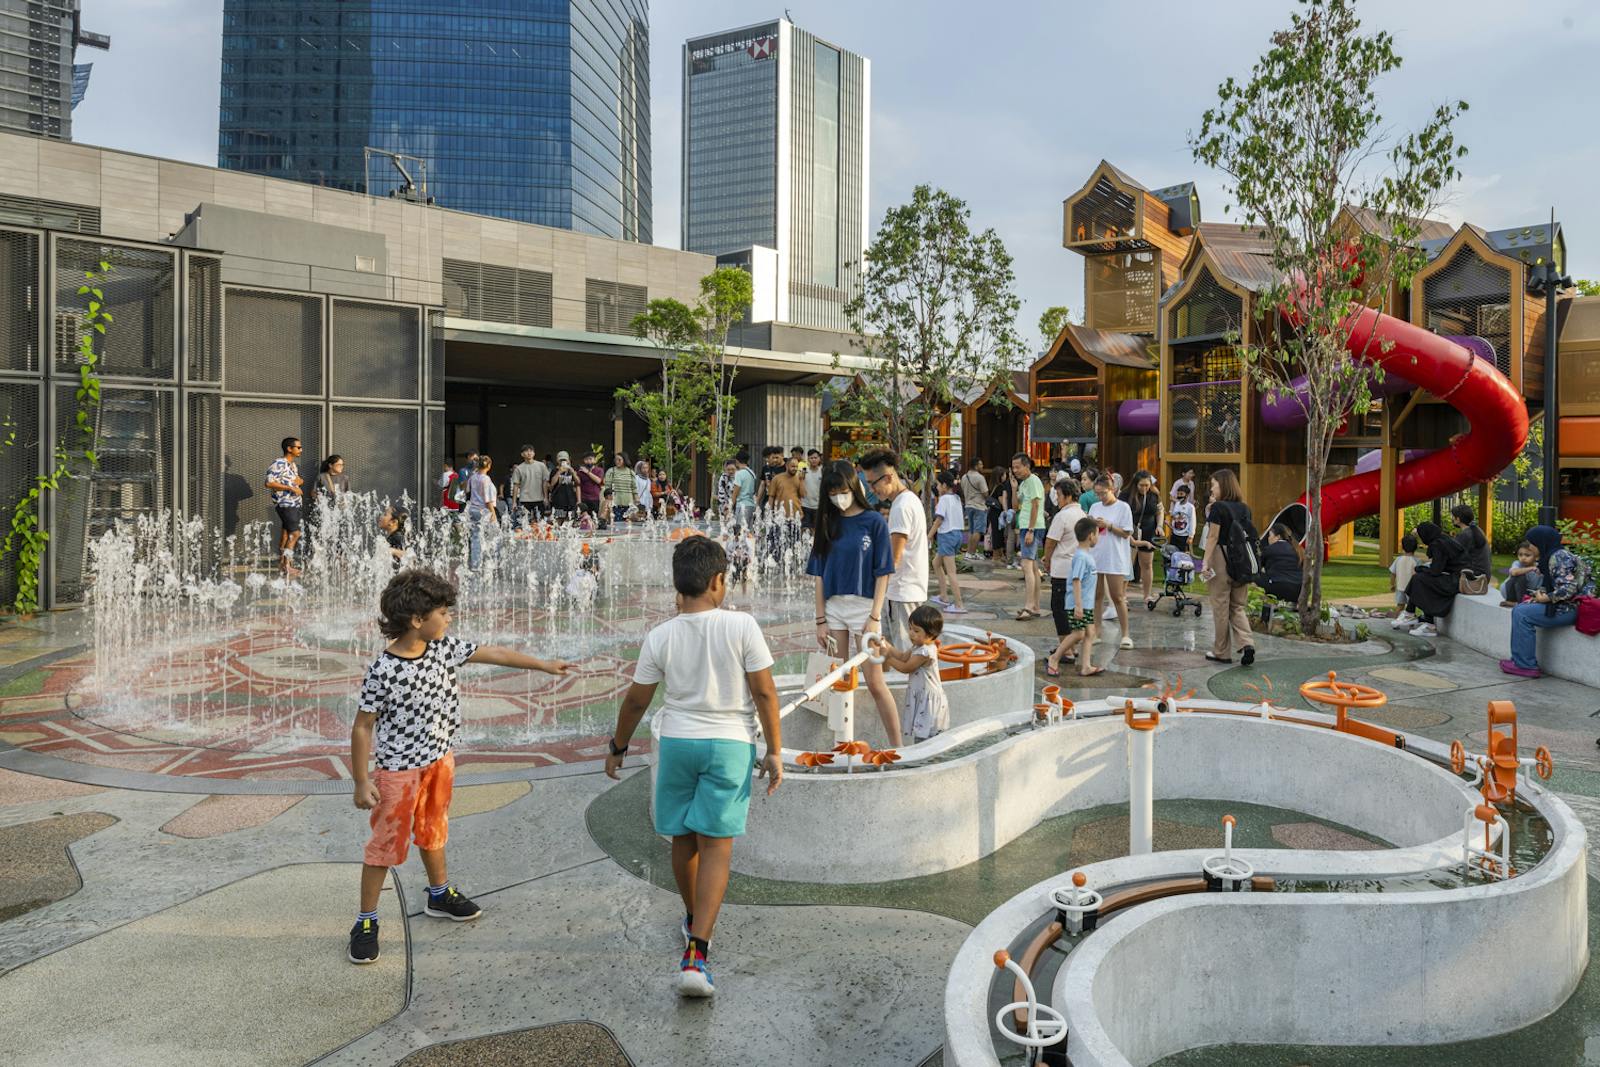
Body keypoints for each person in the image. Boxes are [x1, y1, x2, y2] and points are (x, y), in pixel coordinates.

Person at [349, 568, 571, 965]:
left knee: (434, 831)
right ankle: (366, 920)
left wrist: (543, 665)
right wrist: (362, 780)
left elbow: (497, 654)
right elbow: (363, 726)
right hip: (398, 772)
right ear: (417, 620)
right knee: (385, 845)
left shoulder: (444, 648)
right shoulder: (383, 670)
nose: (449, 618)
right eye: (443, 612)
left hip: (439, 762)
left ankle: (439, 894)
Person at [605, 536, 782, 997]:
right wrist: (776, 750)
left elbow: (636, 701)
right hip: (730, 744)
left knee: (683, 839)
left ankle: (692, 920)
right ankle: (698, 950)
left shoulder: (660, 635)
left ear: (678, 585)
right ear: (718, 582)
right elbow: (764, 693)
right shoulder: (742, 626)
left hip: (679, 742)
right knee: (717, 847)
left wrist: (617, 746)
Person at [1502, 525, 1594, 678]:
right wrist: (1539, 597)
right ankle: (1520, 661)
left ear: (1541, 542)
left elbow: (1569, 588)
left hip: (1570, 609)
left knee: (1521, 613)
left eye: (1532, 543)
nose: (1530, 546)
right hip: (1568, 606)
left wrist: (1546, 598)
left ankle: (1525, 665)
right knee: (1523, 608)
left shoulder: (1558, 557)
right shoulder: (1554, 555)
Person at [871, 603, 949, 744]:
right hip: (922, 698)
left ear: (931, 634)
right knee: (922, 735)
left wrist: (888, 658)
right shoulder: (918, 646)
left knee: (927, 738)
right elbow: (902, 656)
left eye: (916, 631)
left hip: (929, 701)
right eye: (910, 628)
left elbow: (906, 667)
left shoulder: (926, 652)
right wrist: (887, 646)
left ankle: (926, 761)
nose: (911, 633)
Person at [1199, 469, 1254, 666]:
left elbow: (1212, 537)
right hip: (1241, 561)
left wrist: (1204, 562)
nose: (1212, 488)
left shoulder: (1218, 508)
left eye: (1214, 484)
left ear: (1223, 485)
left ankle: (1222, 651)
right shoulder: (1245, 508)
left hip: (1220, 558)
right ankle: (1246, 643)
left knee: (1220, 606)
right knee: (1238, 606)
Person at [1046, 516, 1102, 678]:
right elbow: (1076, 581)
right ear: (1091, 535)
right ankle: (1054, 658)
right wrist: (1078, 605)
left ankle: (1086, 666)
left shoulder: (1085, 555)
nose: (1098, 537)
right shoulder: (1081, 557)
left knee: (1089, 633)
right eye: (1098, 534)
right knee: (1078, 634)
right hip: (1078, 604)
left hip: (1086, 604)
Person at [1043, 482, 1089, 674]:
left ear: (1068, 496)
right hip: (1080, 568)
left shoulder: (1063, 516)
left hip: (1063, 569)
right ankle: (1071, 647)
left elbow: (1051, 541)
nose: (1057, 498)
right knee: (1072, 610)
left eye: (1059, 495)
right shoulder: (1083, 514)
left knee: (1060, 610)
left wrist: (1047, 560)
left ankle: (1067, 650)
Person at [1395, 521, 1465, 637]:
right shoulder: (1443, 540)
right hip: (1457, 577)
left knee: (1419, 579)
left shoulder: (1438, 544)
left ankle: (1415, 617)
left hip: (1456, 580)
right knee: (1420, 579)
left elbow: (1435, 571)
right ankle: (1415, 617)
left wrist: (1418, 569)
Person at [1089, 475, 1135, 649]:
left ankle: (1125, 634)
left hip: (1115, 557)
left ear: (1113, 489)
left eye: (1103, 493)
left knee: (1118, 597)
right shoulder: (1094, 506)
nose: (1100, 497)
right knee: (1096, 596)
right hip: (1096, 555)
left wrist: (1108, 525)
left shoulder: (1123, 507)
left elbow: (1126, 533)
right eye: (1097, 494)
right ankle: (1096, 631)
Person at [1009, 453, 1047, 619]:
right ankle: (1036, 606)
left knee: (1026, 566)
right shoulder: (1024, 484)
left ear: (1027, 466)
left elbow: (1036, 505)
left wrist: (1031, 530)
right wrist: (1013, 488)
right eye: (1013, 467)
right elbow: (1016, 506)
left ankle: (1029, 605)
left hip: (1032, 527)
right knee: (1032, 567)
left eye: (1018, 467)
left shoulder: (1033, 481)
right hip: (1026, 526)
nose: (1015, 470)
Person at [265, 436, 305, 576]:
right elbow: (269, 483)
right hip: (285, 504)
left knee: (286, 534)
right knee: (295, 533)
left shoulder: (292, 465)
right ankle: (287, 566)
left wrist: (297, 483)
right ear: (289, 448)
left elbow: (296, 480)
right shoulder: (278, 463)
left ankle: (282, 564)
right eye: (298, 447)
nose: (301, 449)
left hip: (295, 503)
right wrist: (291, 488)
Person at [929, 471, 967, 614]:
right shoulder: (956, 498)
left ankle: (959, 604)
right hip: (957, 536)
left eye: (938, 484)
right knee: (936, 563)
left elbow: (939, 520)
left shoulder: (944, 499)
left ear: (944, 485)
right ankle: (944, 596)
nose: (937, 487)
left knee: (951, 572)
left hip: (947, 536)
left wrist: (929, 535)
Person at [1125, 470, 1164, 609]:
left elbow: (1160, 511)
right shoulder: (1126, 495)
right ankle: (1122, 597)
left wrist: (1159, 525)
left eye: (1147, 485)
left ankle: (1147, 595)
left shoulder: (1154, 494)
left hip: (1148, 531)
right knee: (1128, 565)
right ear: (1135, 484)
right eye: (1141, 485)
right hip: (1131, 530)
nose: (1144, 488)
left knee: (1147, 564)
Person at [1255, 523, 1304, 611]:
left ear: (1277, 537)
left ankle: (1264, 610)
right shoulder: (1298, 550)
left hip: (1279, 588)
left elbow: (1257, 566)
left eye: (1270, 535)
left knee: (1252, 577)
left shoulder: (1270, 549)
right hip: (1299, 590)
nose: (1268, 538)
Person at [465, 456, 497, 569]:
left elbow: (467, 491)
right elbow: (488, 499)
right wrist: (493, 513)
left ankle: (475, 564)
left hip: (473, 509)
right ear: (489, 466)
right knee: (493, 535)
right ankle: (492, 562)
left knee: (475, 537)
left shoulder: (473, 477)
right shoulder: (486, 479)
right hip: (483, 510)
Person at [1451, 504, 1492, 580]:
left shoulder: (1466, 534)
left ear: (1458, 519)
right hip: (1485, 576)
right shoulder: (1477, 530)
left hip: (1475, 576)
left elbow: (1451, 555)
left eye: (1453, 516)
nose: (1452, 518)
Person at [510, 446, 548, 525]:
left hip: (539, 499)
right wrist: (514, 502)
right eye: (526, 451)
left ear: (534, 453)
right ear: (522, 454)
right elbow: (516, 485)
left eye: (531, 451)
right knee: (525, 524)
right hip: (525, 500)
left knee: (540, 523)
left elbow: (545, 482)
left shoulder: (541, 466)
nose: (529, 453)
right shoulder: (519, 468)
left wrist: (546, 497)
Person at [959, 457, 989, 559]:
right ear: (976, 466)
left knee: (971, 530)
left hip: (968, 505)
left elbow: (963, 490)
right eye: (981, 464)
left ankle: (969, 552)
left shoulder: (964, 477)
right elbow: (985, 493)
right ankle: (971, 553)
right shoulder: (980, 477)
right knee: (978, 530)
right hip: (979, 506)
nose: (982, 466)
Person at [1501, 540, 1542, 606]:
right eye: (1520, 555)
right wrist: (1531, 568)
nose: (1523, 558)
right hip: (1509, 591)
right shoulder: (1517, 563)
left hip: (1528, 593)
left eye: (1527, 555)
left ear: (1536, 557)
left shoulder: (1539, 567)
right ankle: (1520, 603)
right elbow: (1514, 572)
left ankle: (1517, 603)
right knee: (1520, 575)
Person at [1389, 533, 1422, 615]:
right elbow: (1420, 576)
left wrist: (1392, 585)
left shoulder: (1398, 559)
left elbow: (1393, 573)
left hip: (1400, 587)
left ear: (1402, 547)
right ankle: (1410, 624)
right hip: (1411, 589)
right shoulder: (1417, 561)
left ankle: (1395, 622)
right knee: (1411, 607)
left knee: (1400, 605)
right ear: (1415, 547)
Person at [603, 452, 636, 524]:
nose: (617, 461)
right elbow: (607, 487)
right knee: (616, 524)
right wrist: (608, 500)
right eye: (616, 460)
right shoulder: (611, 471)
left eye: (619, 460)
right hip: (615, 503)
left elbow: (634, 487)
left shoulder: (631, 472)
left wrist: (636, 498)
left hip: (629, 503)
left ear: (624, 460)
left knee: (628, 524)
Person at [547, 451, 579, 522]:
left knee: (570, 520)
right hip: (558, 500)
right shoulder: (554, 470)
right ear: (557, 461)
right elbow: (552, 484)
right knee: (558, 519)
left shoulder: (571, 470)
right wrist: (559, 472)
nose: (563, 462)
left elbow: (578, 482)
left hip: (571, 500)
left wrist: (573, 472)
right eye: (561, 460)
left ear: (568, 460)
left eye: (565, 460)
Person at [732, 451, 758, 528]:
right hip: (751, 505)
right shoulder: (751, 473)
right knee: (748, 532)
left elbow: (736, 492)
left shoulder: (739, 473)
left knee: (739, 532)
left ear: (737, 461)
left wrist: (730, 506)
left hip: (742, 505)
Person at [577, 452, 605, 523]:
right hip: (584, 499)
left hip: (595, 499)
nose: (589, 461)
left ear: (595, 460)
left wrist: (587, 472)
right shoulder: (580, 472)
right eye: (586, 459)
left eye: (590, 459)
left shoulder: (599, 470)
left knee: (594, 519)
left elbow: (599, 481)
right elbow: (578, 486)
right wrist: (579, 500)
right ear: (583, 461)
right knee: (584, 520)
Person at [1169, 483, 1195, 553]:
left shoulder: (1190, 507)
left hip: (1184, 536)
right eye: (1178, 494)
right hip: (1175, 534)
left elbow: (1193, 521)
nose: (1179, 496)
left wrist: (1191, 536)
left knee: (1183, 555)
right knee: (1172, 553)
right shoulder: (1177, 504)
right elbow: (1175, 516)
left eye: (1181, 494)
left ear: (1187, 495)